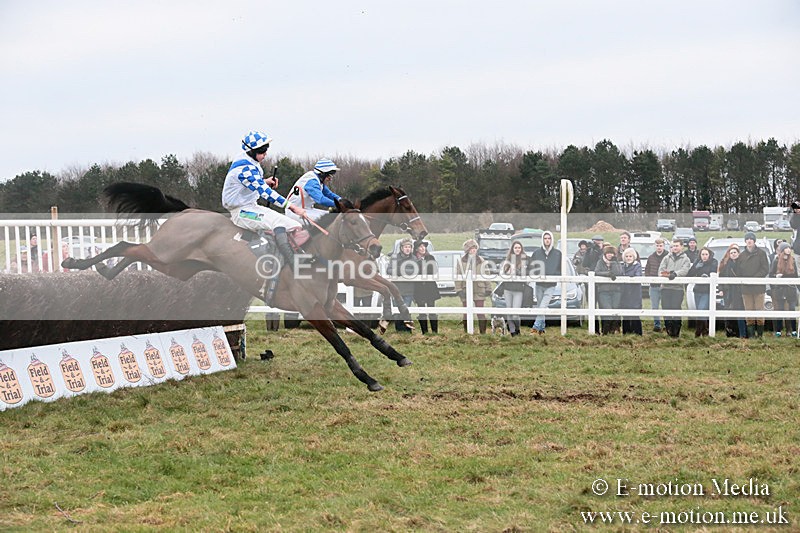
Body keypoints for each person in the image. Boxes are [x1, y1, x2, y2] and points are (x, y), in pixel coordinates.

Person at [221, 130, 307, 267]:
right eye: (262, 151)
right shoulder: (244, 168)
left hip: (251, 207)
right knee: (281, 224)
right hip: (241, 212)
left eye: (266, 150)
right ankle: (291, 262)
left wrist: (264, 181)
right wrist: (293, 207)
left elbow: (253, 183)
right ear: (251, 151)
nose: (265, 154)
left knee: (294, 225)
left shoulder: (247, 160)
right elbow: (266, 193)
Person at [286, 159, 343, 223]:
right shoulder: (312, 181)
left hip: (307, 210)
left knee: (332, 215)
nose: (330, 179)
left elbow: (329, 194)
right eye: (329, 176)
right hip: (294, 212)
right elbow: (321, 199)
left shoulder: (318, 180)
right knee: (325, 221)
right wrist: (338, 205)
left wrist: (341, 200)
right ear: (322, 174)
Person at [455, 239, 493, 334]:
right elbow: (457, 276)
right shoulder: (461, 262)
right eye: (471, 248)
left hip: (479, 289)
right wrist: (459, 290)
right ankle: (467, 332)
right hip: (465, 290)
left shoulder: (482, 261)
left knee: (480, 312)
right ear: (467, 250)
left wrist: (488, 288)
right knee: (466, 313)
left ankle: (483, 333)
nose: (473, 250)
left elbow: (486, 274)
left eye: (475, 248)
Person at [737, 231, 769, 338]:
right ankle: (751, 335)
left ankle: (760, 335)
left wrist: (755, 278)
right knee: (748, 311)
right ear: (745, 241)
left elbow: (765, 269)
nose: (749, 241)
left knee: (759, 311)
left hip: (758, 287)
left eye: (751, 239)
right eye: (747, 239)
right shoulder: (741, 256)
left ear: (754, 241)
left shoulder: (761, 253)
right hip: (746, 288)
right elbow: (738, 271)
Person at [530, 231, 562, 335]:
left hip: (551, 285)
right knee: (540, 306)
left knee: (543, 306)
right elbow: (532, 266)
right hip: (539, 284)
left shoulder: (558, 254)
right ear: (542, 240)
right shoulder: (536, 253)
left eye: (549, 238)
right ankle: (542, 329)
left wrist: (554, 275)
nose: (547, 240)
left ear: (552, 239)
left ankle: (535, 328)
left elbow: (560, 268)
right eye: (545, 238)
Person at [658, 238, 691, 338]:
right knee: (666, 308)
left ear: (681, 246)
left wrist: (675, 274)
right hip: (666, 288)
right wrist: (669, 274)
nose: (674, 248)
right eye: (672, 246)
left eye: (676, 246)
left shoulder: (686, 259)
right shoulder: (666, 258)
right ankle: (669, 330)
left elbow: (685, 270)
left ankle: (676, 331)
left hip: (677, 288)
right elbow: (661, 271)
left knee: (676, 308)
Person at [499, 240, 528, 336]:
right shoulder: (507, 260)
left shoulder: (524, 259)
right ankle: (512, 331)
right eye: (515, 248)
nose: (517, 249)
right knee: (509, 311)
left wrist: (516, 271)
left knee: (515, 313)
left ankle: (517, 328)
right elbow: (502, 273)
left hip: (518, 289)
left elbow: (525, 274)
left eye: (519, 248)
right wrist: (507, 272)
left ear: (521, 249)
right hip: (508, 288)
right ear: (512, 249)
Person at [387, 238, 417, 332]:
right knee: (397, 311)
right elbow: (389, 270)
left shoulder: (414, 258)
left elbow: (414, 271)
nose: (407, 249)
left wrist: (400, 270)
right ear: (401, 248)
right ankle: (399, 330)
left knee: (406, 310)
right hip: (396, 289)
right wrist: (401, 271)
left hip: (408, 290)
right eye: (405, 247)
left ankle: (407, 330)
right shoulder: (394, 258)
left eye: (409, 247)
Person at [687, 247, 718, 337]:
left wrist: (707, 275)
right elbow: (690, 274)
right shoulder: (697, 262)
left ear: (709, 255)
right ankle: (704, 331)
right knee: (699, 311)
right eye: (703, 254)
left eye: (706, 254)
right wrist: (696, 268)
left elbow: (713, 271)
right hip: (698, 289)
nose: (704, 256)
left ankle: (698, 332)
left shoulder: (714, 261)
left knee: (701, 310)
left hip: (707, 290)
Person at [769, 242, 798, 337]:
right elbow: (771, 275)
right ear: (782, 250)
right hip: (780, 290)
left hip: (791, 290)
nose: (788, 250)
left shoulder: (793, 261)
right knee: (780, 309)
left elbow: (796, 275)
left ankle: (793, 330)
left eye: (789, 248)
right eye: (786, 248)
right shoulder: (776, 261)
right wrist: (775, 280)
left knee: (792, 309)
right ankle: (778, 330)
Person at [718, 244, 747, 338]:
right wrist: (721, 289)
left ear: (738, 253)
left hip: (739, 291)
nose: (733, 254)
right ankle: (730, 333)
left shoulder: (742, 263)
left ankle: (742, 333)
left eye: (735, 252)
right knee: (728, 312)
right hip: (728, 291)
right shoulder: (726, 265)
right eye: (731, 253)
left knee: (740, 312)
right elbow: (721, 278)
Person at [594, 244, 623, 335]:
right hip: (604, 290)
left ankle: (613, 330)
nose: (610, 255)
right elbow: (597, 272)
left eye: (612, 253)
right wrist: (607, 274)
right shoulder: (600, 262)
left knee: (615, 309)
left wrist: (614, 263)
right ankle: (605, 330)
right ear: (605, 254)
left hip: (616, 290)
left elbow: (619, 273)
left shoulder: (617, 262)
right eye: (608, 253)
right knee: (607, 309)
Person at [412, 241, 440, 334]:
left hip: (430, 287)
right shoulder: (413, 259)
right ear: (416, 249)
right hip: (418, 288)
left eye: (424, 246)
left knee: (431, 309)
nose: (423, 248)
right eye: (420, 246)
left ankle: (435, 331)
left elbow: (433, 270)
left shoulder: (430, 258)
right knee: (421, 310)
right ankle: (424, 332)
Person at [644, 238, 668, 332]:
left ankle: (667, 324)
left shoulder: (668, 256)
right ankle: (657, 325)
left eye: (661, 245)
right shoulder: (651, 257)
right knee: (655, 306)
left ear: (664, 246)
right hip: (653, 286)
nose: (659, 247)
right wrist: (649, 278)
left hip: (665, 285)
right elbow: (647, 269)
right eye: (657, 246)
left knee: (665, 305)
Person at [620, 247, 643, 335]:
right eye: (627, 256)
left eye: (630, 256)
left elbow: (638, 276)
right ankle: (626, 333)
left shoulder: (637, 266)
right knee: (625, 315)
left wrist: (630, 278)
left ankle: (637, 333)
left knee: (635, 314)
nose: (628, 258)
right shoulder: (622, 267)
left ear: (634, 257)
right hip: (624, 293)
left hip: (634, 293)